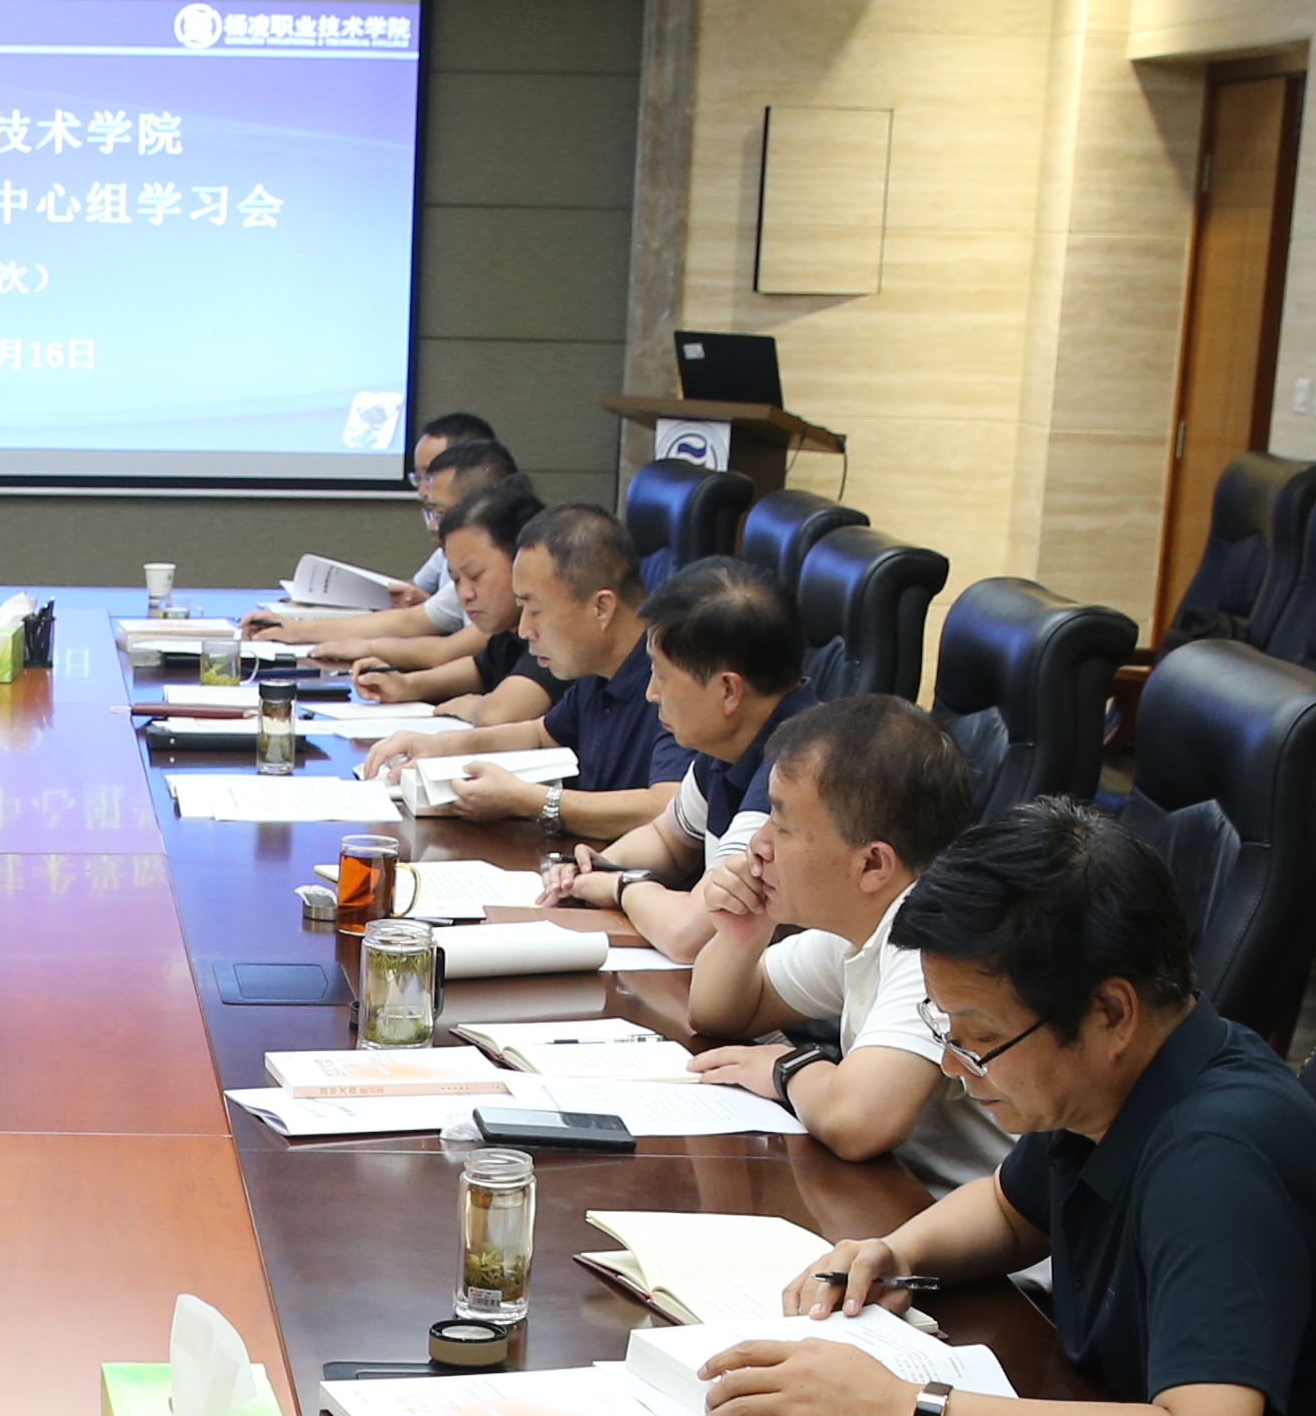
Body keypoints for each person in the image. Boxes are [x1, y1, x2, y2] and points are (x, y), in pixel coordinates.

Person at [695, 804, 1316, 1416]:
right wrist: (897, 1253)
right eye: (947, 1030)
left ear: (1111, 1013)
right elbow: (1012, 1209)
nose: (954, 1065)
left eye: (980, 1038)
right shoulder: (1113, 1084)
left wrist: (894, 1414)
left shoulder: (1216, 1157)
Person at [675, 698, 1006, 1182]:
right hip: (898, 1195)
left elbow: (857, 1122)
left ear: (872, 864)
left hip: (964, 1219)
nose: (759, 845)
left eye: (781, 826)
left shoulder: (937, 946)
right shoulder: (865, 918)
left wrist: (786, 1067)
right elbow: (718, 1013)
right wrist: (745, 935)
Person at [534, 560, 801, 957]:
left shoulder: (794, 773)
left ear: (728, 691)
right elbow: (669, 840)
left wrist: (621, 887)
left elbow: (689, 934)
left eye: (661, 675)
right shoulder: (732, 743)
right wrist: (592, 869)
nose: (651, 694)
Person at [424, 506, 669, 836]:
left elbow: (668, 807)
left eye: (536, 610)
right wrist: (442, 746)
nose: (525, 630)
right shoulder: (596, 669)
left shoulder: (673, 676)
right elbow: (541, 735)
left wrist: (527, 801)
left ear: (601, 607)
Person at [251, 434, 513, 659]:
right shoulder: (457, 561)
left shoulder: (507, 578)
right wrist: (298, 630)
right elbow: (408, 620)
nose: (433, 526)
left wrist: (370, 652)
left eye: (441, 514)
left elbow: (446, 652)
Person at [349, 478, 551, 720]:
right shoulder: (508, 631)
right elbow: (479, 669)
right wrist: (406, 685)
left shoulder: (555, 631)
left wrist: (472, 707)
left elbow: (500, 713)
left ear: (522, 561)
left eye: (475, 576)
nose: (465, 594)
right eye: (456, 580)